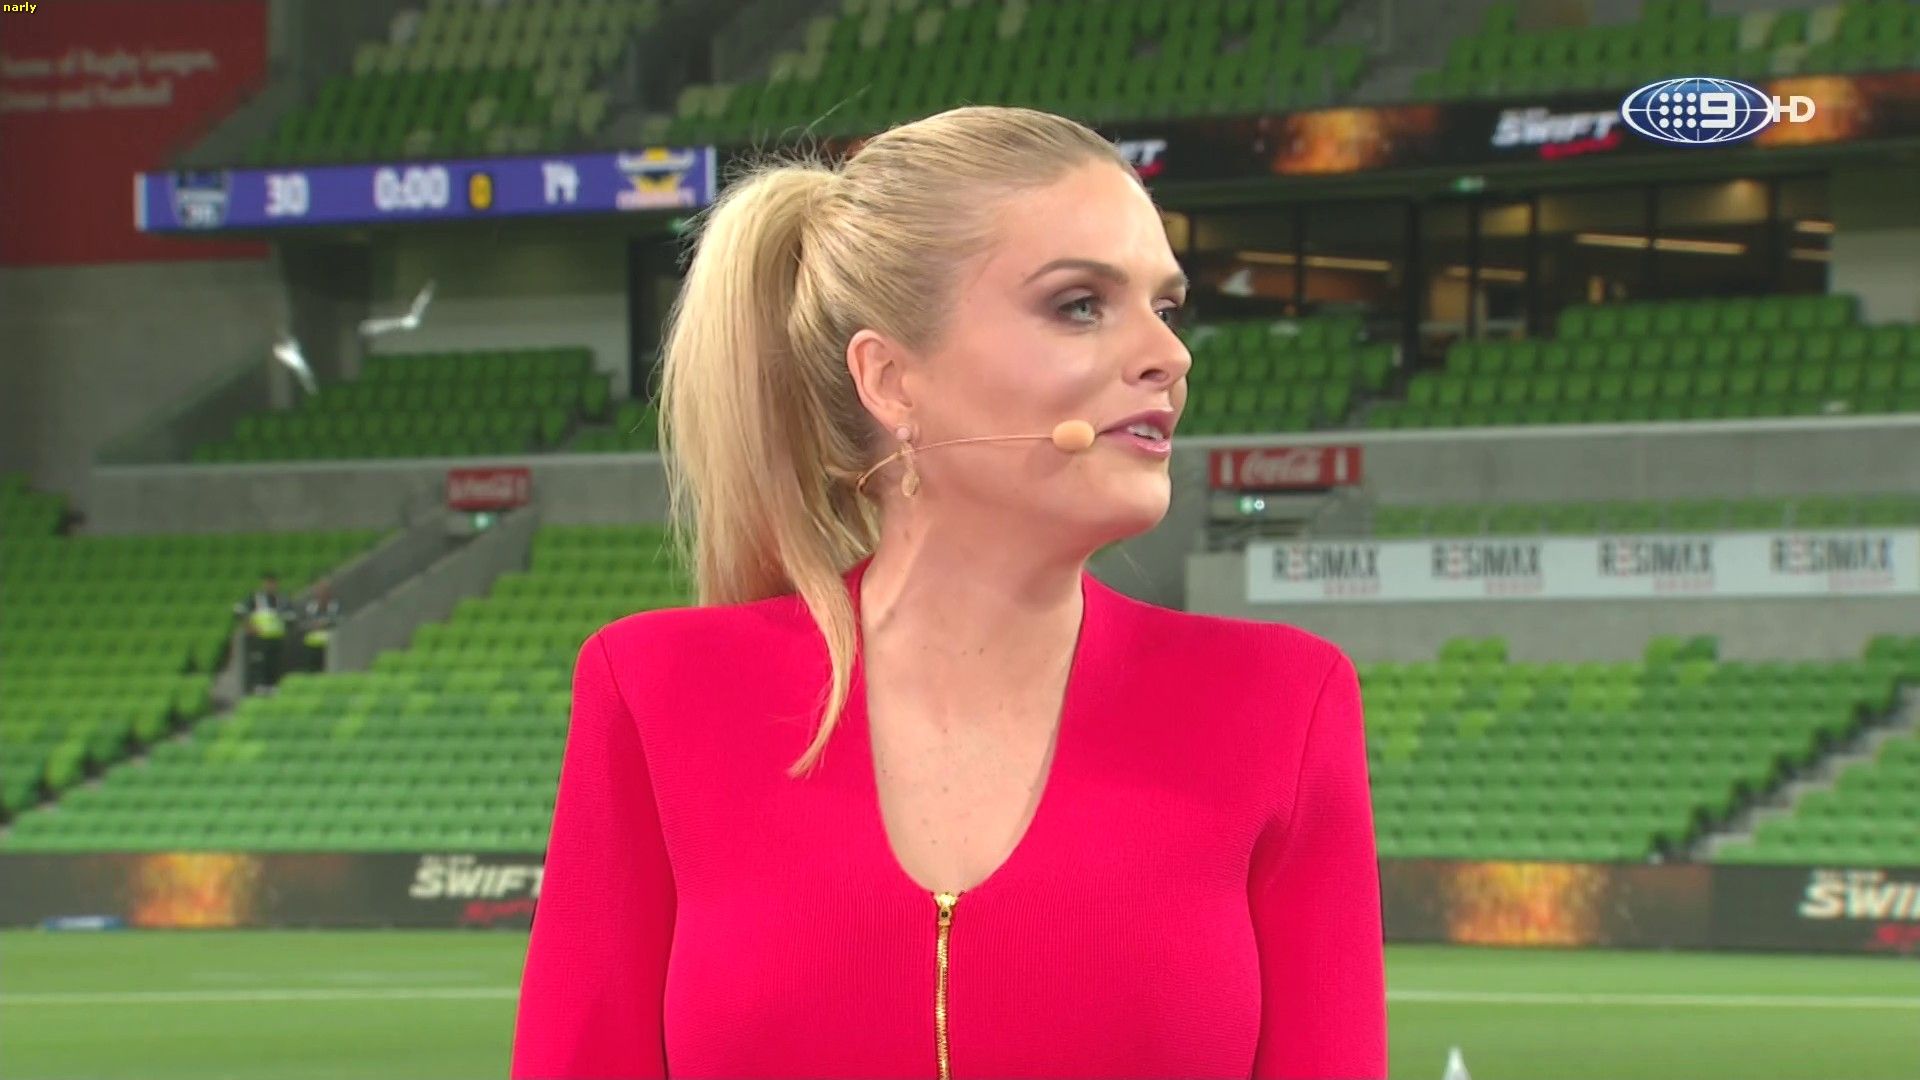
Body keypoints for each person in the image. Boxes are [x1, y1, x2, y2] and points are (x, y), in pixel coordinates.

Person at [512, 106, 1385, 1080]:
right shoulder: (655, 691)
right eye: (1080, 305)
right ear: (891, 380)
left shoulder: (1284, 706)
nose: (1170, 357)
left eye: (1167, 309)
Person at [233, 572, 291, 695]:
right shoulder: (256, 598)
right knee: (260, 663)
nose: (271, 586)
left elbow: (290, 617)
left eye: (273, 583)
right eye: (268, 583)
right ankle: (260, 687)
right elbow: (239, 611)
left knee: (275, 664)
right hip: (260, 638)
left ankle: (274, 687)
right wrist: (249, 626)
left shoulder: (282, 600)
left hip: (276, 638)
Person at [296, 577, 342, 673]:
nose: (322, 594)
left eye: (325, 591)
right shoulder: (310, 607)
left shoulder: (335, 606)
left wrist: (327, 623)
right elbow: (302, 624)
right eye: (320, 591)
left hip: (329, 645)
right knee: (312, 670)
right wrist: (312, 625)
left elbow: (341, 621)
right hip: (311, 645)